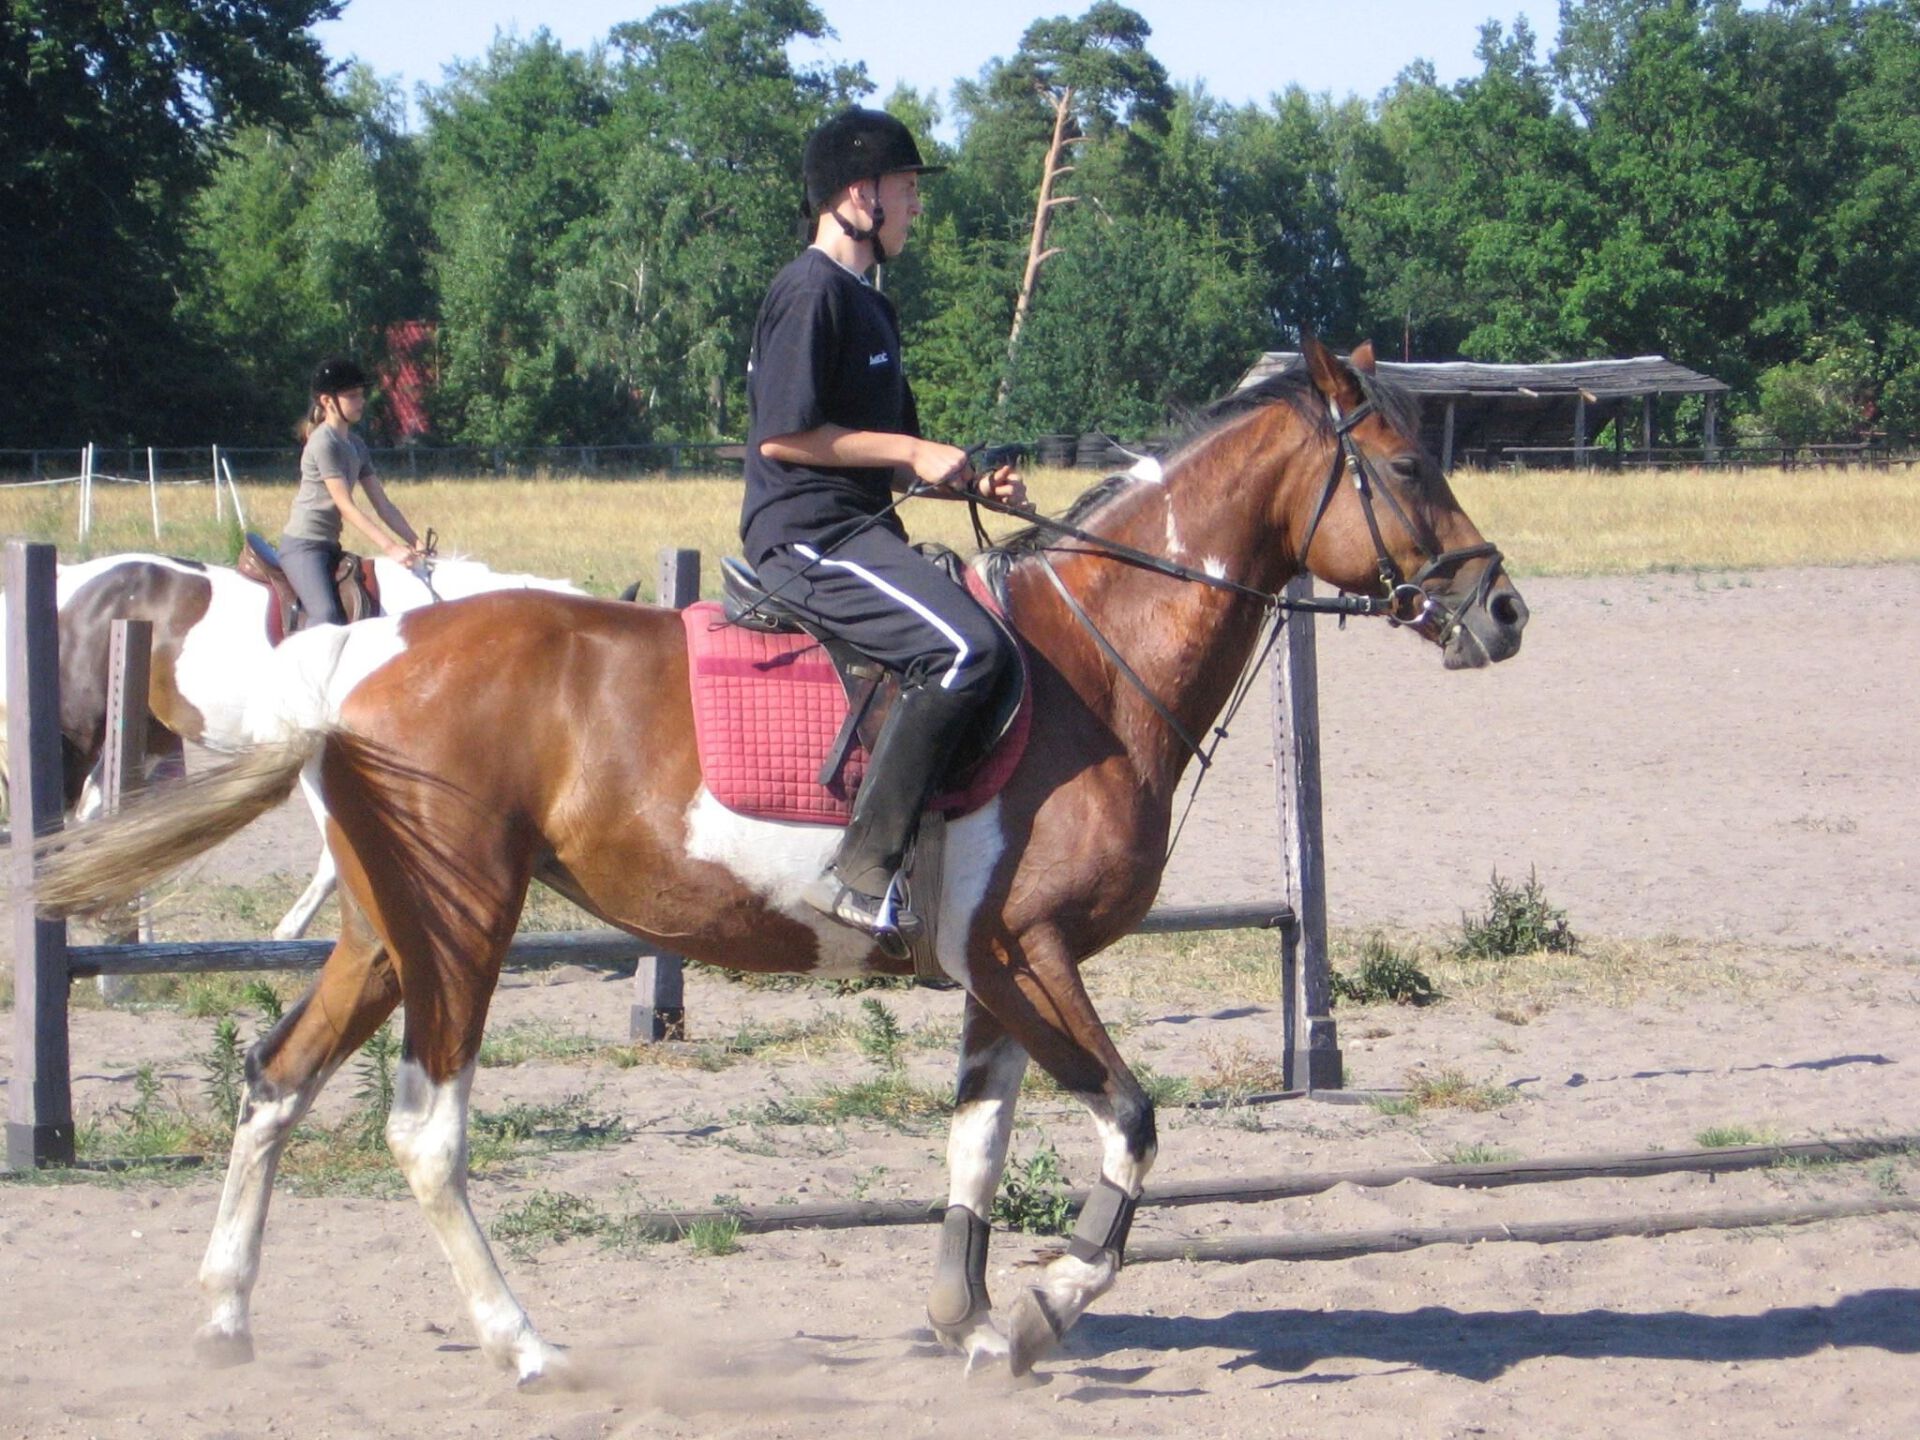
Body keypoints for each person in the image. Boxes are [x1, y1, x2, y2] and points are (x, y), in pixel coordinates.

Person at [741, 106, 1030, 952]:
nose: (916, 205)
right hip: (805, 537)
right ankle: (861, 873)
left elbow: (890, 460)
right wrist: (911, 449)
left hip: (860, 528)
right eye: (906, 189)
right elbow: (784, 436)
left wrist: (966, 478)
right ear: (857, 196)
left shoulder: (873, 308)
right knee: (967, 649)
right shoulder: (808, 292)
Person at [280, 356, 423, 629]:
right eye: (352, 396)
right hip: (304, 547)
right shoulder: (323, 443)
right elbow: (346, 506)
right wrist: (391, 547)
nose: (361, 401)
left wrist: (416, 542)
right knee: (326, 617)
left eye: (361, 395)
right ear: (327, 401)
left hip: (329, 546)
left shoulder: (356, 444)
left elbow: (383, 505)